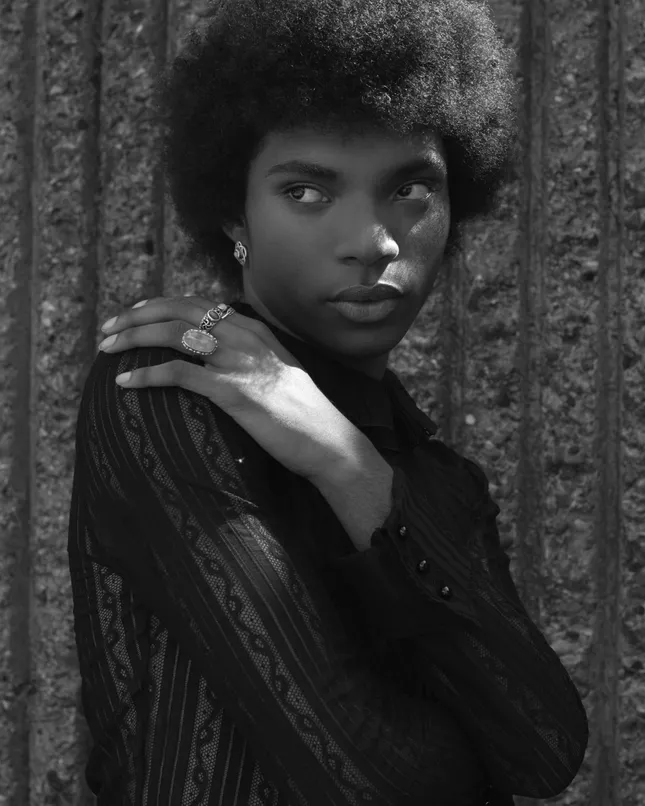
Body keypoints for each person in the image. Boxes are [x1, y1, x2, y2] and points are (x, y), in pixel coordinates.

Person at [67, 0, 589, 804]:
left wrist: (347, 467)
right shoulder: (173, 383)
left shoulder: (431, 474)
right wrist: (473, 747)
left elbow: (549, 751)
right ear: (234, 214)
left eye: (409, 188)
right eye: (307, 191)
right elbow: (370, 775)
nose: (372, 241)